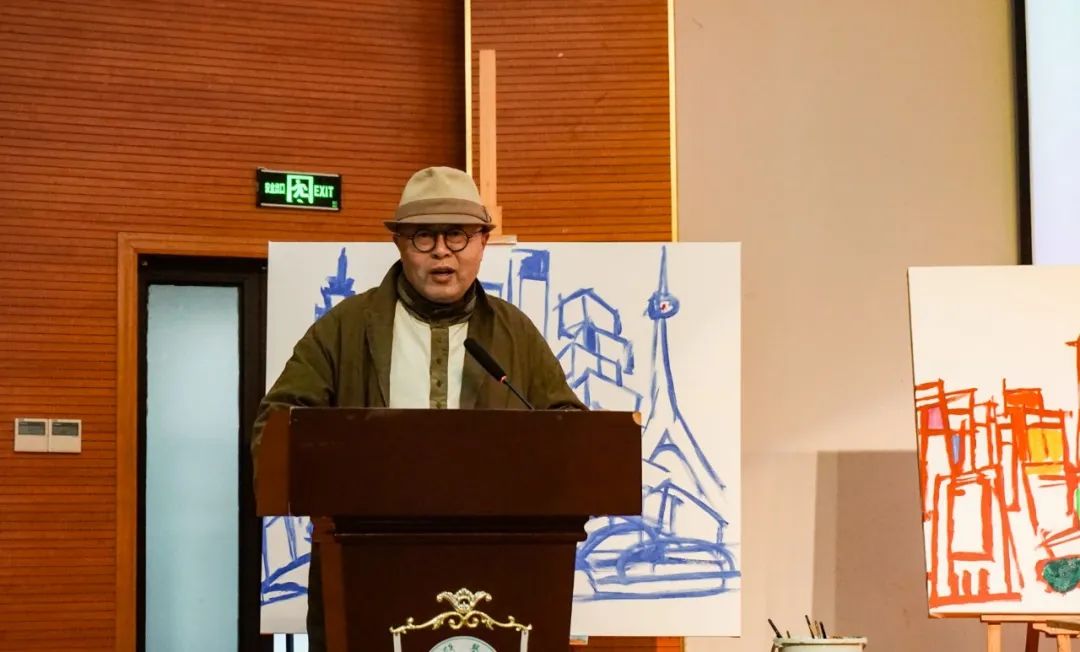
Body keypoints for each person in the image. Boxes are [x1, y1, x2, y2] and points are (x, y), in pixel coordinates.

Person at [250, 165, 585, 651]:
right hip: (367, 569)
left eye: (458, 235)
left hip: (492, 571)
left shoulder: (516, 335)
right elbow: (277, 426)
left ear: (483, 242)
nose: (442, 251)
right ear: (400, 244)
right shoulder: (345, 327)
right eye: (424, 236)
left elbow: (573, 438)